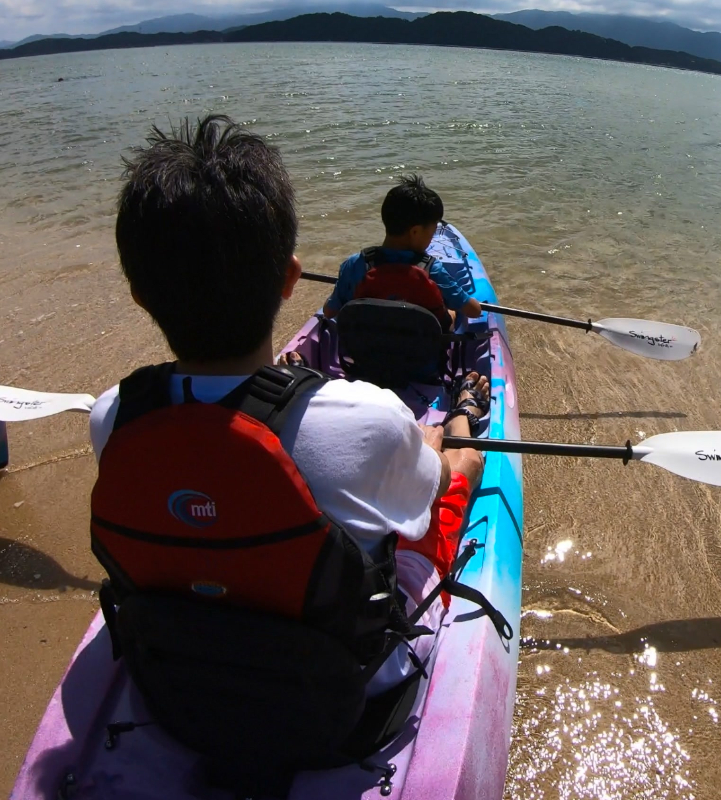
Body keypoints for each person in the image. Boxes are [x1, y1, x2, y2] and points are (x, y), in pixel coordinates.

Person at [85, 115, 493, 788]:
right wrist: (441, 443)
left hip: (182, 684)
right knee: (458, 465)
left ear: (138, 293)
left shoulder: (113, 418)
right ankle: (466, 418)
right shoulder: (369, 421)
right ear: (288, 277)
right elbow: (415, 512)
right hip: (344, 689)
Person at [322, 173, 483, 325]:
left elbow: (329, 312)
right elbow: (474, 311)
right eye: (432, 232)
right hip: (420, 353)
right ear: (415, 231)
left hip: (364, 352)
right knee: (451, 313)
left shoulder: (354, 264)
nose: (432, 238)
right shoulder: (431, 270)